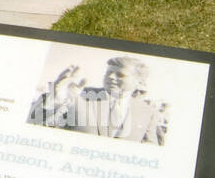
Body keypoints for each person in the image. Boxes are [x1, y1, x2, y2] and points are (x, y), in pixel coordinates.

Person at [27, 55, 162, 142]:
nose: (111, 77)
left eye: (120, 75)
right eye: (109, 73)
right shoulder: (80, 95)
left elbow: (150, 149)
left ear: (139, 82)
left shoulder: (148, 113)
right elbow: (37, 125)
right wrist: (55, 96)